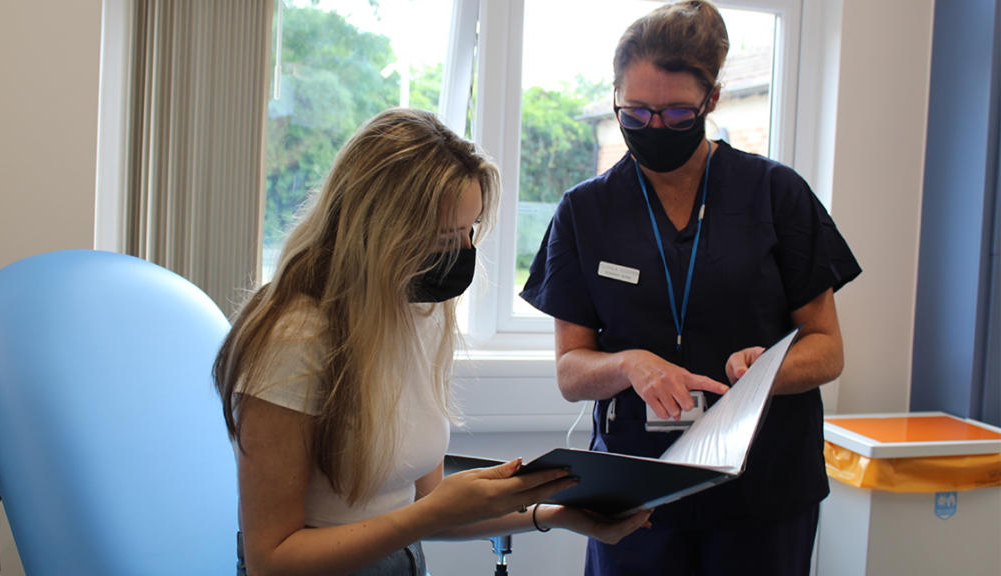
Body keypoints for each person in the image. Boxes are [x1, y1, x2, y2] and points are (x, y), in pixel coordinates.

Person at [213, 108, 652, 576]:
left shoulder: (413, 309)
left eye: (471, 231)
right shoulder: (293, 339)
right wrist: (433, 512)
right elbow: (271, 560)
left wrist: (559, 515)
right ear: (380, 230)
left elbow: (423, 505)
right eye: (445, 237)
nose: (464, 252)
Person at [519, 2, 862, 575]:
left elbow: (827, 347)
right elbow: (571, 371)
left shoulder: (776, 195)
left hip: (763, 487)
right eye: (635, 112)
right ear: (615, 98)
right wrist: (629, 364)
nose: (653, 127)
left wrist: (770, 370)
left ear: (713, 100)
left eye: (677, 114)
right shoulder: (586, 210)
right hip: (634, 494)